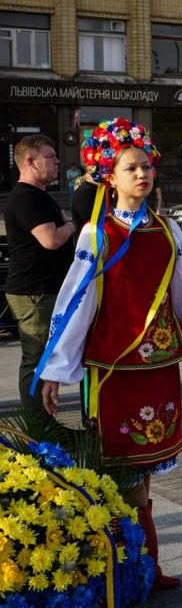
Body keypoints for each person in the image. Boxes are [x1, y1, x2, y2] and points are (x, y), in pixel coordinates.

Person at [39, 119, 182, 590]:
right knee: (116, 470)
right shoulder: (96, 235)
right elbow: (76, 304)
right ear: (109, 177)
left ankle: (147, 568)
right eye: (130, 168)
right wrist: (56, 370)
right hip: (112, 371)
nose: (142, 174)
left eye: (146, 166)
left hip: (158, 368)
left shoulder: (168, 232)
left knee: (146, 472)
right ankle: (122, 573)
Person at [4, 135, 75, 416]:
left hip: (45, 288)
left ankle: (44, 420)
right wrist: (73, 225)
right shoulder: (26, 197)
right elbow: (51, 240)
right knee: (37, 357)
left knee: (45, 356)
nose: (57, 161)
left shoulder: (37, 195)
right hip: (34, 292)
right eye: (50, 156)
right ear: (31, 162)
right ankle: (37, 427)